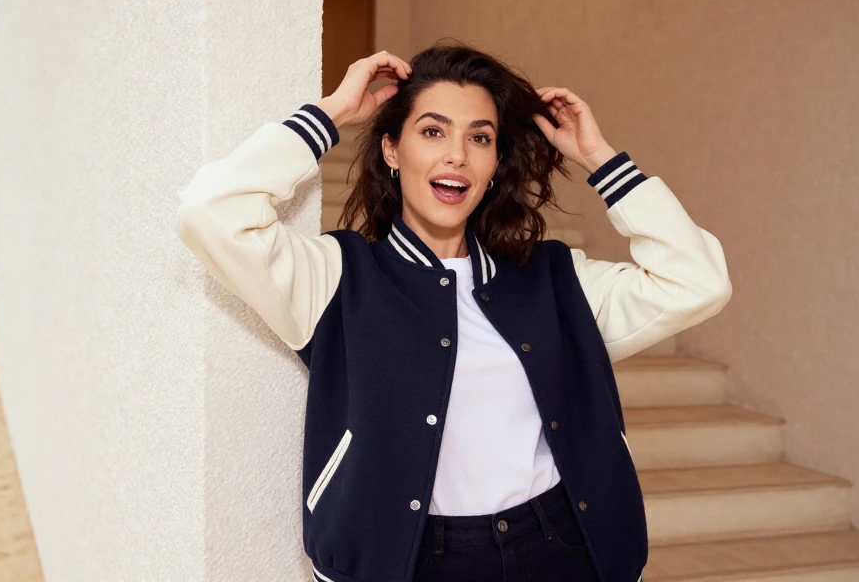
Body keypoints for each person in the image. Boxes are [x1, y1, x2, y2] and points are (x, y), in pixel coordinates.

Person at [175, 41, 731, 582]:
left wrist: (599, 160)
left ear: (494, 163)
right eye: (433, 131)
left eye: (480, 137)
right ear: (393, 149)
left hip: (561, 547)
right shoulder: (337, 278)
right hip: (415, 561)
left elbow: (697, 282)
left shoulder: (552, 278)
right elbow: (211, 212)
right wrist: (334, 112)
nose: (456, 155)